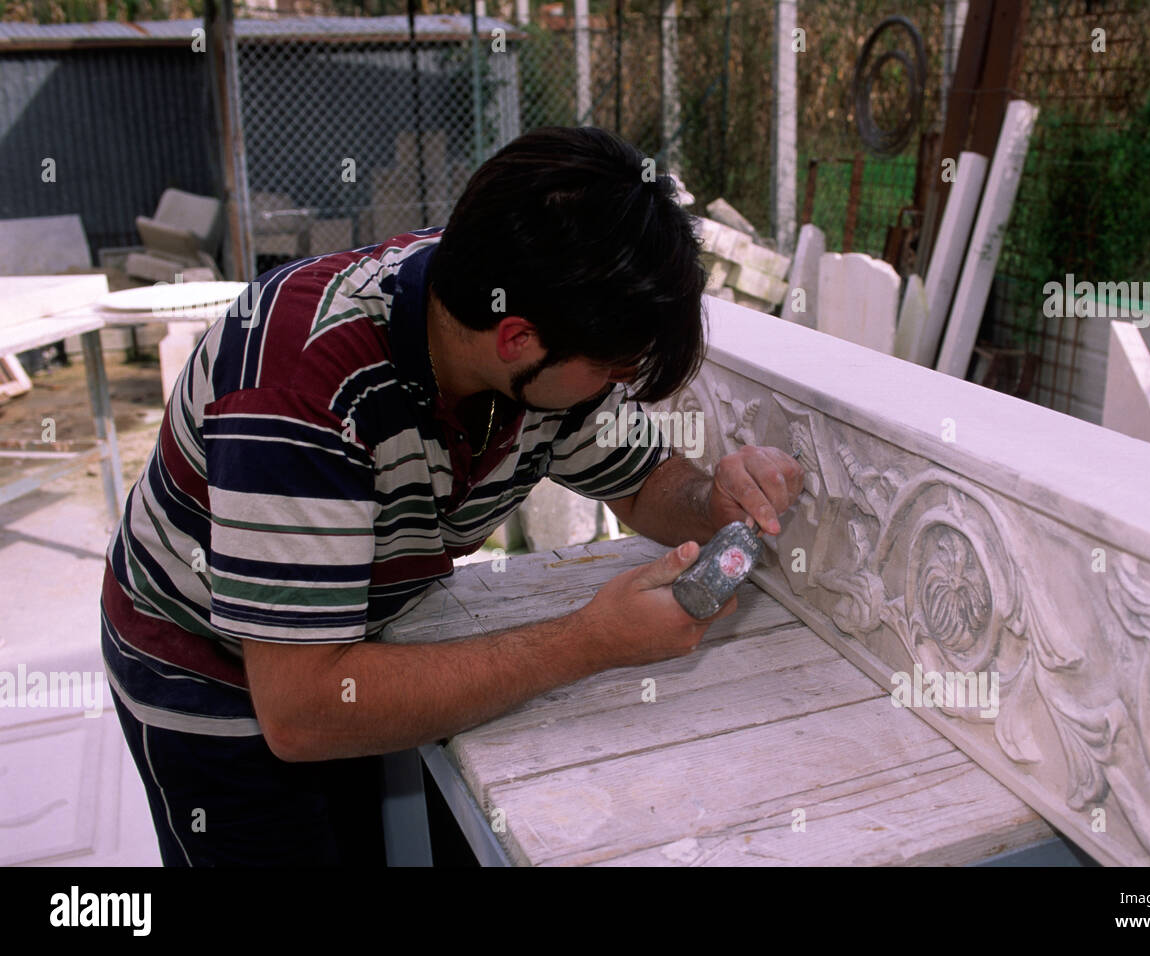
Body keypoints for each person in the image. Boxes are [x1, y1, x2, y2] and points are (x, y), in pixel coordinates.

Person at [100, 125, 802, 866]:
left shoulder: (538, 304)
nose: (615, 391)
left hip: (354, 643)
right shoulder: (296, 382)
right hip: (214, 678)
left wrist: (714, 500)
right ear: (516, 339)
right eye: (610, 370)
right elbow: (303, 711)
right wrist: (589, 642)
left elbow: (640, 480)